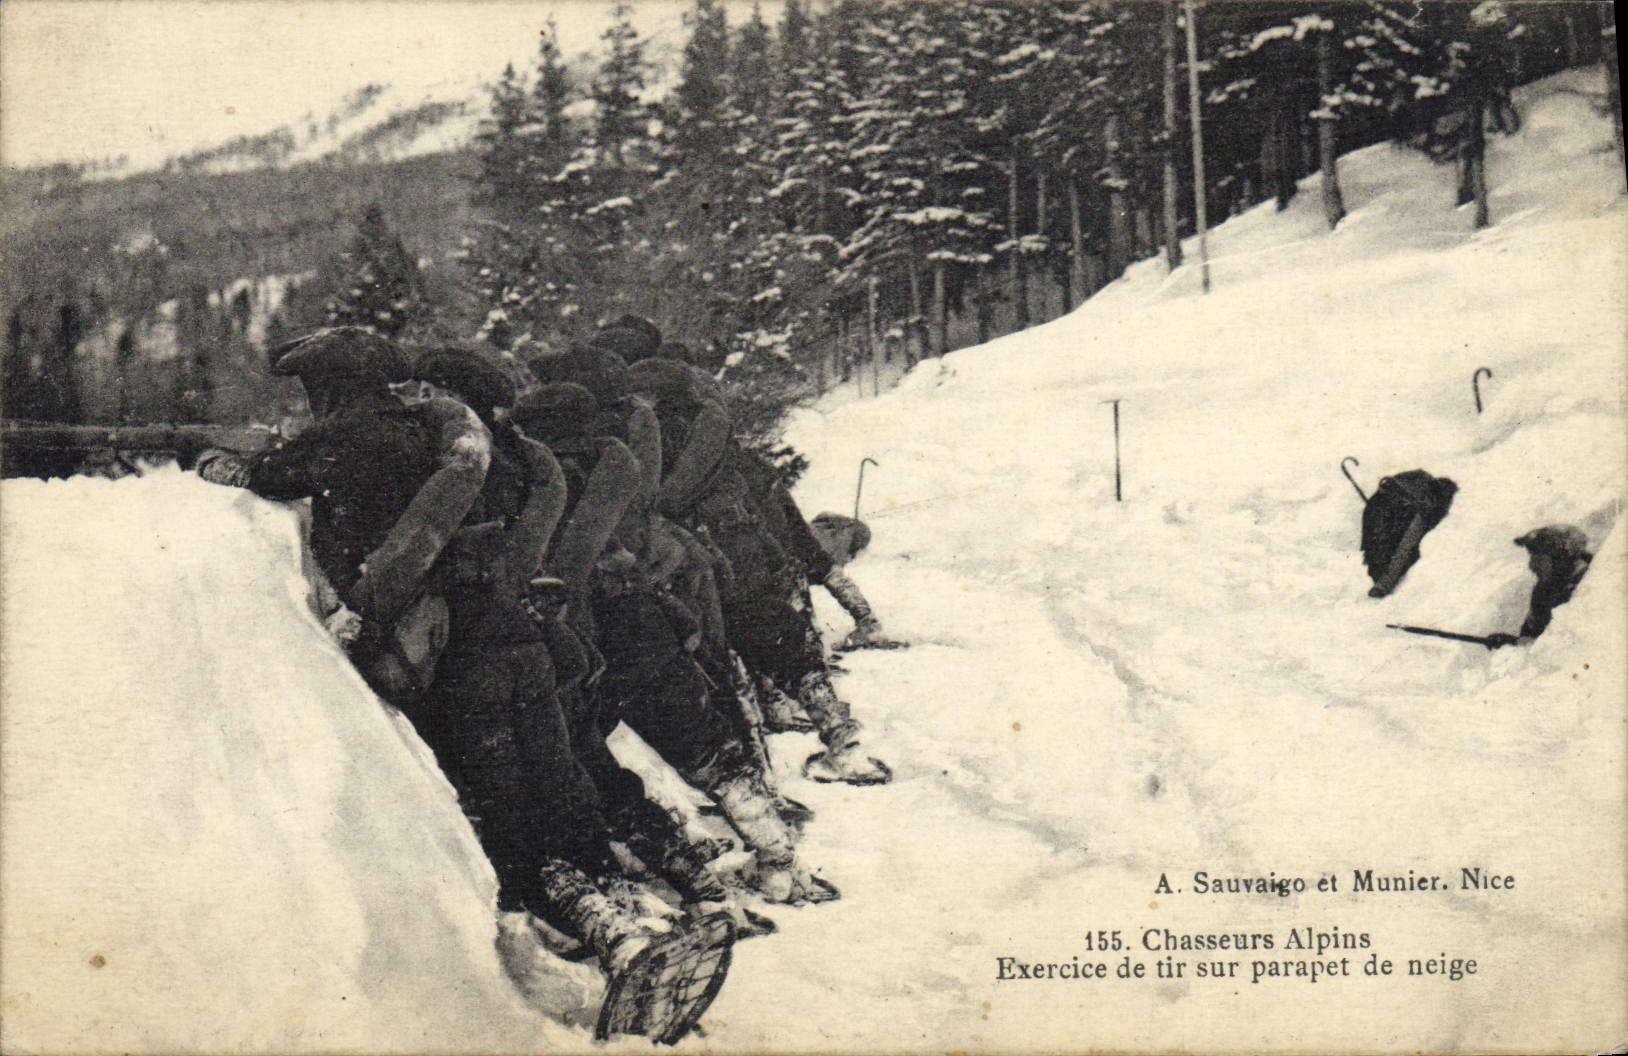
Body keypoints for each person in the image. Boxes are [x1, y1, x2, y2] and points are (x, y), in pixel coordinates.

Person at [202, 330, 733, 1044]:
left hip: (456, 655)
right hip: (519, 636)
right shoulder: (441, 437)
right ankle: (629, 914)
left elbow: (265, 475)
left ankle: (620, 943)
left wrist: (213, 463)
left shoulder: (348, 440)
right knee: (561, 783)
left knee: (504, 812)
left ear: (328, 388)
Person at [1487, 525, 1593, 648]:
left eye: (1539, 556)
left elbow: (1570, 646)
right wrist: (1511, 642)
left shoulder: (1589, 585)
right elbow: (1533, 639)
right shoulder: (1544, 590)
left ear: (1559, 556)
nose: (1532, 565)